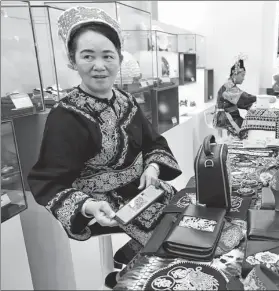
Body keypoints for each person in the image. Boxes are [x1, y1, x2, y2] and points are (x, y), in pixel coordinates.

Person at [26, 6, 182, 288]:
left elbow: (153, 143)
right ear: (73, 61)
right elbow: (47, 181)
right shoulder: (66, 115)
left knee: (184, 216)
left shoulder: (126, 100)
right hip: (103, 204)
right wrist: (86, 206)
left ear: (119, 59)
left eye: (107, 56)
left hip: (140, 190)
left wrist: (154, 166)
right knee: (169, 246)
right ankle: (132, 277)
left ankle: (133, 258)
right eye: (88, 56)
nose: (99, 65)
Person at [213, 58, 257, 138]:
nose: (244, 78)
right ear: (235, 73)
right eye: (242, 75)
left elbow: (242, 100)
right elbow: (243, 99)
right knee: (247, 132)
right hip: (225, 117)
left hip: (231, 115)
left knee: (249, 126)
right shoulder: (228, 87)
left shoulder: (230, 85)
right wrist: (259, 99)